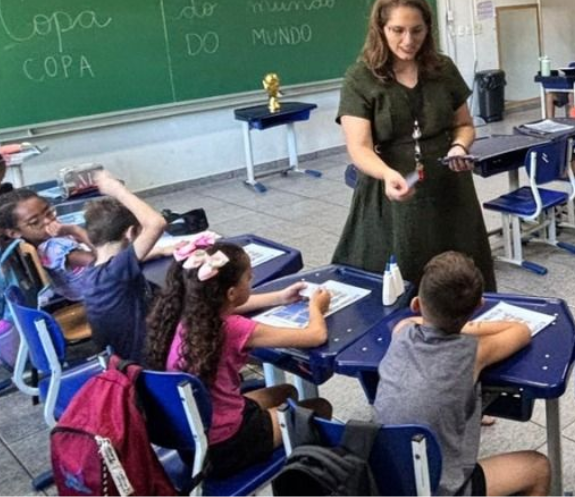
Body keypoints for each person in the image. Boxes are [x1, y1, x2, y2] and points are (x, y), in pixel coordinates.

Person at [333, 0, 496, 290]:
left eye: (417, 30)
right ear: (380, 29)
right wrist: (386, 174)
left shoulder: (442, 68)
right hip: (393, 190)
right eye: (398, 30)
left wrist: (459, 145)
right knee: (399, 275)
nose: (408, 41)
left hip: (448, 189)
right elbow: (359, 147)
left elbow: (464, 124)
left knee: (458, 278)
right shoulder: (360, 77)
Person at [145, 241, 332, 479]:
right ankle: (305, 478)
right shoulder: (233, 328)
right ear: (231, 293)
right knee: (319, 408)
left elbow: (234, 303)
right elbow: (315, 336)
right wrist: (317, 307)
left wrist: (280, 298)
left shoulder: (185, 312)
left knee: (287, 391)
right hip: (226, 447)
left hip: (190, 441)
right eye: (249, 279)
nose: (251, 282)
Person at [374, 252, 551, 497]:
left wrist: (436, 319)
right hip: (437, 491)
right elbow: (520, 330)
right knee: (538, 466)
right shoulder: (473, 352)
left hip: (384, 480)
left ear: (416, 304)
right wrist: (467, 326)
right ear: (479, 306)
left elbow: (411, 323)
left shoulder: (402, 333)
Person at [80, 170, 170, 362]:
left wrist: (160, 251)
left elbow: (123, 261)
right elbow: (156, 223)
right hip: (150, 359)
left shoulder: (95, 272)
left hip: (124, 361)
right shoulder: (116, 272)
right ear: (131, 233)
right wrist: (116, 189)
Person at [0, 188, 93, 301]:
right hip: (100, 292)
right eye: (35, 222)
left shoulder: (39, 243)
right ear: (14, 233)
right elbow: (105, 261)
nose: (48, 221)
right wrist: (76, 230)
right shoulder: (56, 248)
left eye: (49, 212)